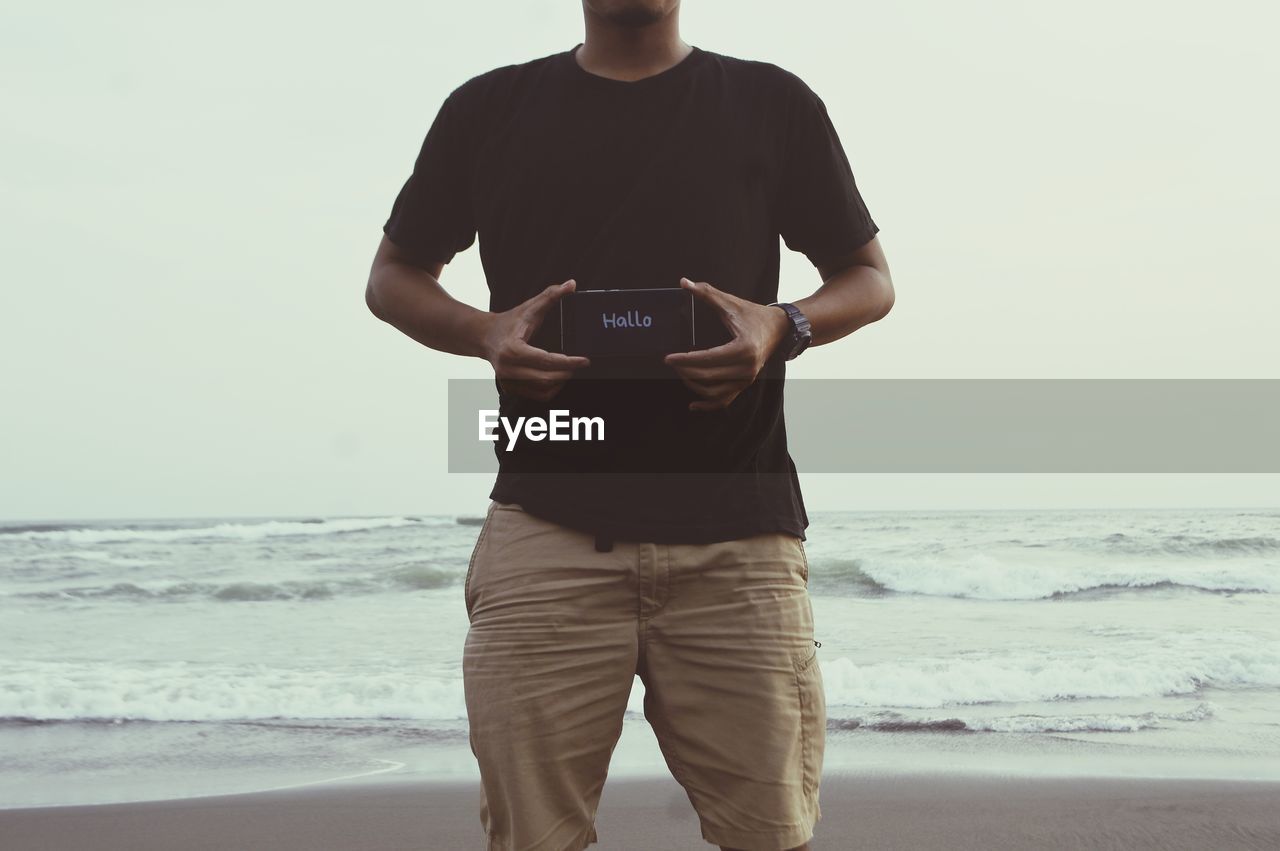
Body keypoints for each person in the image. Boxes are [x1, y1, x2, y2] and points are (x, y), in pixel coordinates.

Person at [365, 1, 894, 848]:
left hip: (740, 537)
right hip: (546, 530)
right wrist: (484, 331)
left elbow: (867, 277)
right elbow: (394, 275)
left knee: (771, 834)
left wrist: (779, 326)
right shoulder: (489, 108)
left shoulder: (771, 102)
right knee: (533, 838)